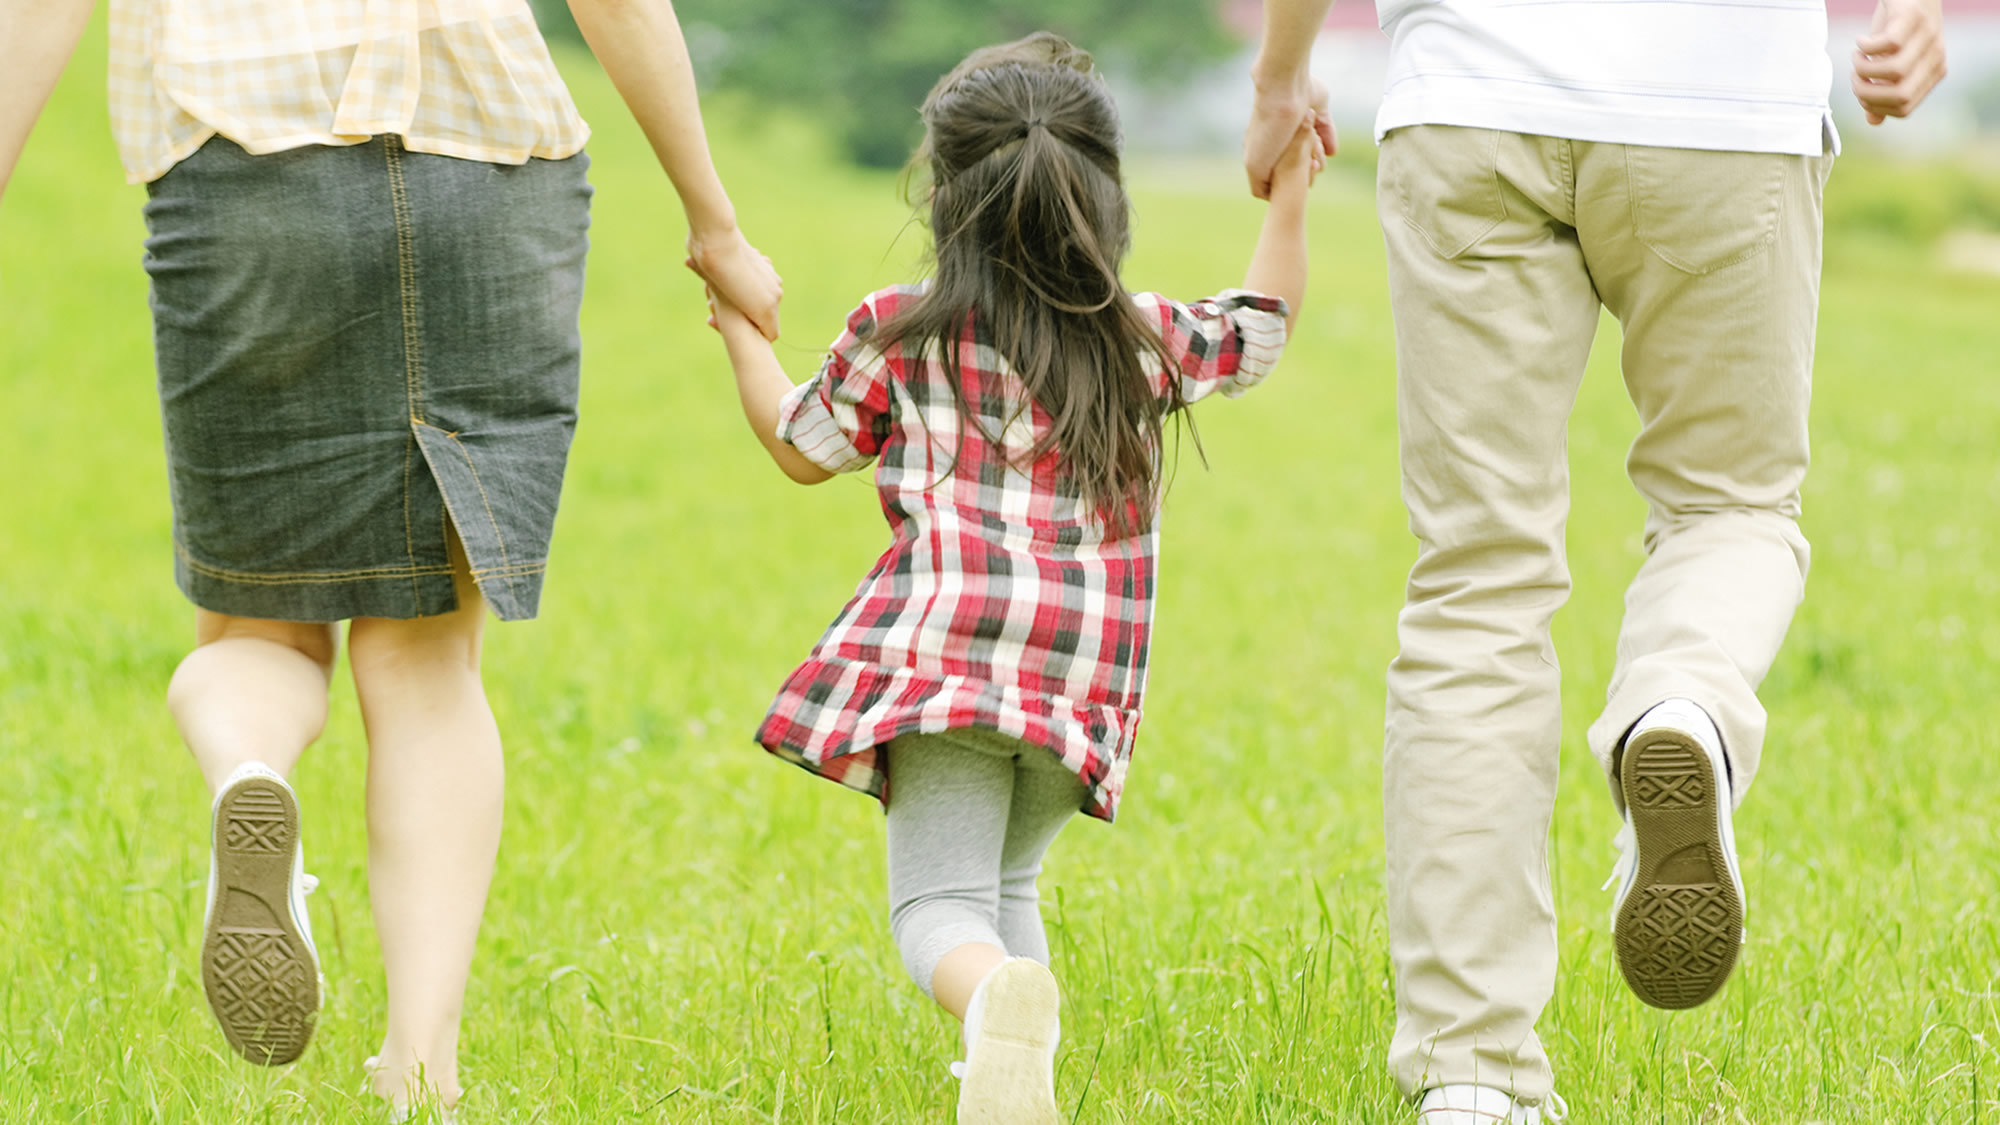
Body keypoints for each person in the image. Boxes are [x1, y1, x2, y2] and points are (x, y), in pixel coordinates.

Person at [0, 0, 780, 1116]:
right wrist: (713, 222)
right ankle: (420, 1070)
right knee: (425, 662)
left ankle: (249, 776)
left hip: (245, 191)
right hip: (490, 184)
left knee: (258, 627)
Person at [1243, 1, 1948, 1121]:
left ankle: (1469, 1075)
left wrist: (1281, 75)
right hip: (1721, 106)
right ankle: (1681, 707)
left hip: (1471, 98)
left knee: (1476, 581)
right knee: (1730, 505)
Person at [703, 32, 1321, 1124]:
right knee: (1009, 888)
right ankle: (1016, 1080)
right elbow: (1257, 335)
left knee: (939, 907)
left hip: (949, 663)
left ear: (945, 195)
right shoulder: (1135, 338)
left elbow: (799, 446)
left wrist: (740, 332)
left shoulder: (899, 331)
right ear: (1101, 197)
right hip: (1082, 680)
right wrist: (1289, 197)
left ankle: (991, 1002)